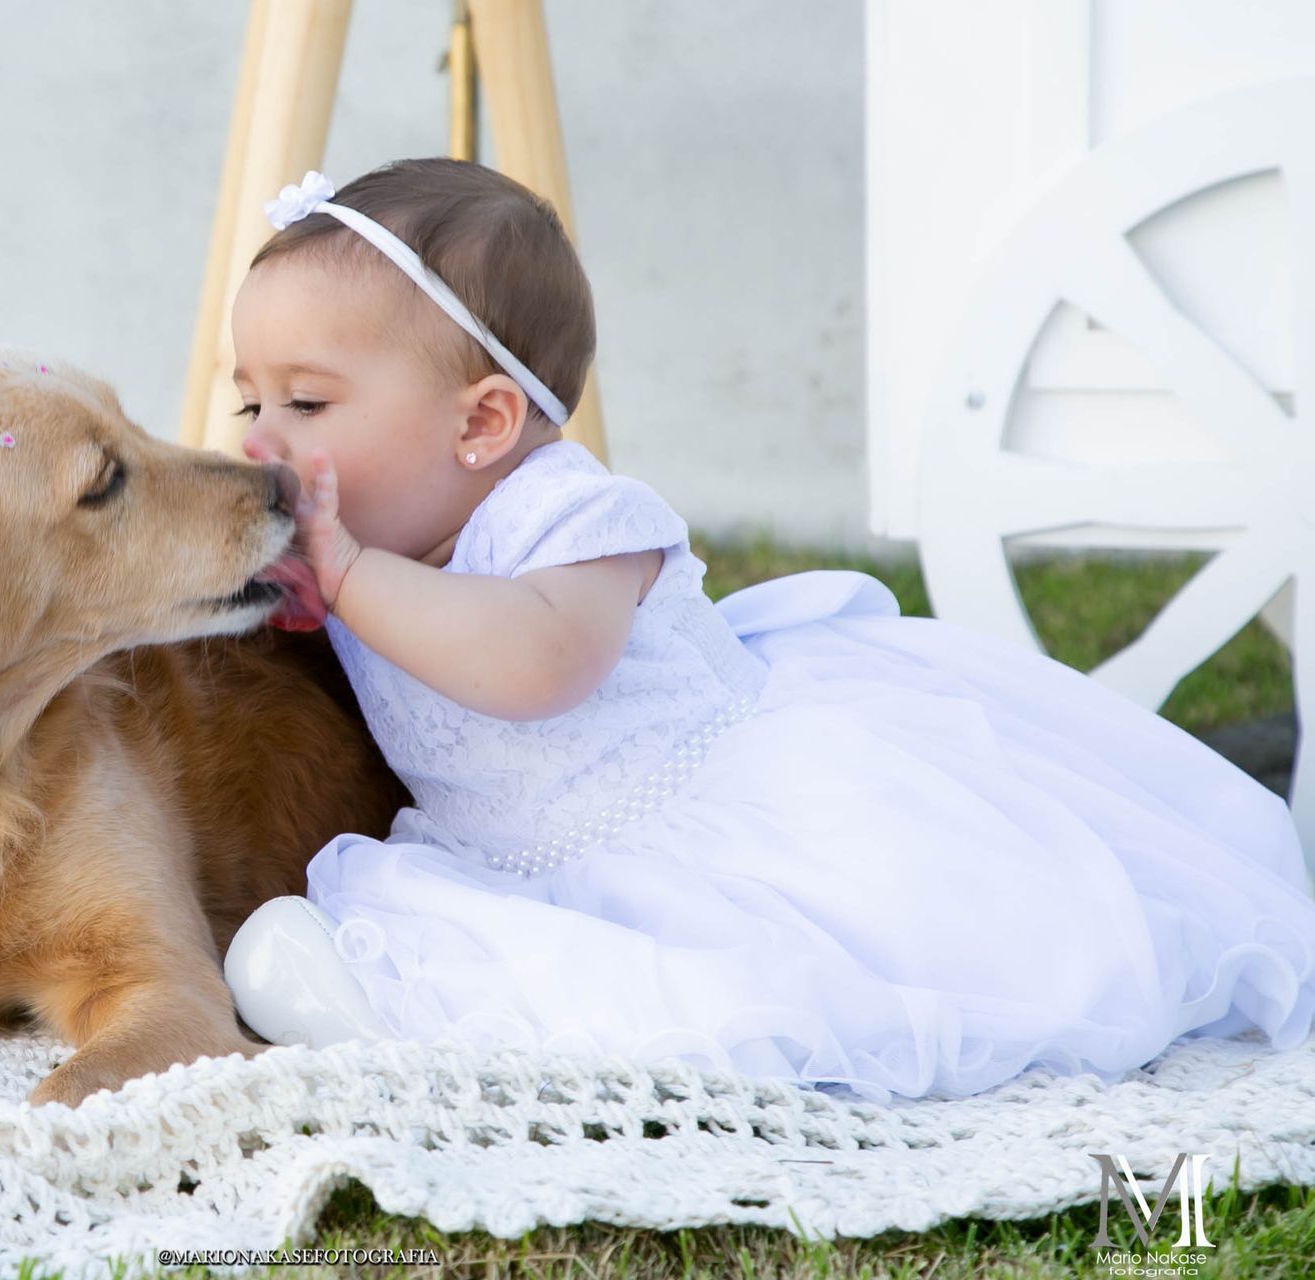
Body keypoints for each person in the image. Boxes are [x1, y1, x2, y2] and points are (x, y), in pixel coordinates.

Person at [219, 158, 1315, 1104]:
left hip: (712, 819)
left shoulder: (570, 516)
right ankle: (376, 1006)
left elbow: (533, 662)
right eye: (246, 406)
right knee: (365, 937)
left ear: (484, 423)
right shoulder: (378, 555)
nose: (263, 439)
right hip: (511, 859)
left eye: (306, 405)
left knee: (803, 975)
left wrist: (354, 577)